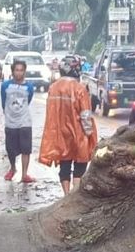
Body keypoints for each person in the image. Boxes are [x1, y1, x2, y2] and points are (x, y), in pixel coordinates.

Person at [39, 56, 97, 194]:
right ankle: (75, 193)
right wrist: (89, 133)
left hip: (60, 133)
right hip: (78, 133)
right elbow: (85, 115)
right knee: (80, 164)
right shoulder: (80, 88)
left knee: (64, 164)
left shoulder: (53, 87)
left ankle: (66, 194)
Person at [1, 58, 36, 183]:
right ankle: (13, 168)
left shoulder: (29, 86)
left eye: (21, 70)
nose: (19, 73)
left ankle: (24, 174)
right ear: (12, 71)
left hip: (25, 122)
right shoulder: (5, 85)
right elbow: (3, 101)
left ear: (24, 72)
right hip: (10, 122)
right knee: (10, 149)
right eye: (16, 70)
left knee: (26, 149)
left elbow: (29, 100)